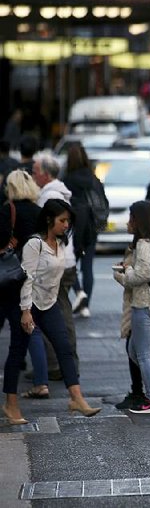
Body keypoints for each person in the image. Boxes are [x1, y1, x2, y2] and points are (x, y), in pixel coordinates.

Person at [3, 199, 100, 424]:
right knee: (17, 353)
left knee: (64, 348)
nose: (66, 225)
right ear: (49, 219)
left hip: (49, 304)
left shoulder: (60, 243)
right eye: (62, 220)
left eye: (68, 221)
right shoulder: (33, 244)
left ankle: (77, 399)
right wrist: (26, 312)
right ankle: (11, 404)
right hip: (27, 305)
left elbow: (54, 279)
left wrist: (54, 300)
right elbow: (27, 279)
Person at [113, 201, 150, 414]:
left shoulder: (144, 244)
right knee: (134, 350)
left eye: (131, 218)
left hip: (145, 304)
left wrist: (123, 274)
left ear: (139, 221)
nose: (128, 222)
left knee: (143, 354)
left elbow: (144, 273)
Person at [1, 170, 49, 398]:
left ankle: (34, 381)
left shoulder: (8, 209)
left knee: (21, 325)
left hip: (13, 273)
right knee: (32, 326)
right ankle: (42, 380)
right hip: (37, 271)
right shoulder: (40, 212)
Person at [33, 154, 79, 384]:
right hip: (65, 260)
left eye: (35, 171)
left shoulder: (50, 196)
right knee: (61, 312)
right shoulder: (59, 192)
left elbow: (46, 230)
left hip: (56, 263)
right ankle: (63, 363)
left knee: (53, 315)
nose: (33, 175)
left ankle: (57, 365)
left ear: (45, 173)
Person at [63, 144, 107, 319]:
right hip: (91, 227)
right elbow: (103, 201)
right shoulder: (93, 179)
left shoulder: (67, 180)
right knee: (87, 267)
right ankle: (85, 306)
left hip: (73, 228)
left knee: (69, 263)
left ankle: (79, 292)